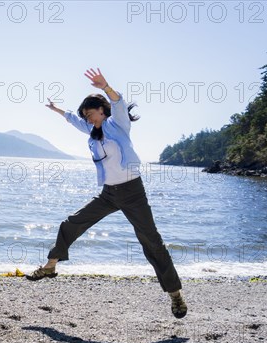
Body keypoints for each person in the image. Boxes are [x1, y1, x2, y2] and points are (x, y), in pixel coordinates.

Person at [26, 68, 187, 319]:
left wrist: (105, 86)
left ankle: (175, 294)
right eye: (86, 117)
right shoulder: (92, 131)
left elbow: (118, 102)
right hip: (109, 193)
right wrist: (57, 109)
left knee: (151, 241)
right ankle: (51, 266)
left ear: (101, 110)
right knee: (71, 223)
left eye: (90, 114)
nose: (88, 119)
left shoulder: (117, 124)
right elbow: (72, 118)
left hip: (133, 191)